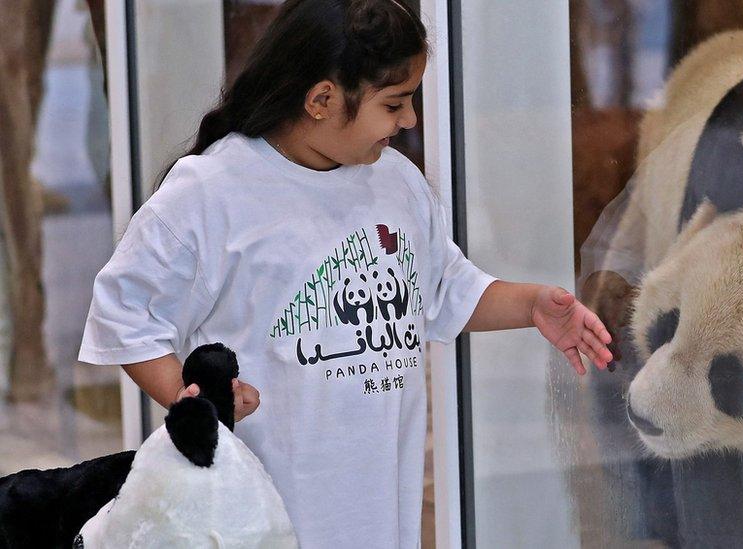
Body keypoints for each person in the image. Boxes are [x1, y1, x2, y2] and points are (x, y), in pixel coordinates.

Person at [77, 1, 612, 546]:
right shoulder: (210, 192)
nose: (410, 121)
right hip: (257, 518)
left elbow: (442, 288)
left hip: (379, 512)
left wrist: (530, 306)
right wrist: (193, 404)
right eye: (395, 103)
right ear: (322, 99)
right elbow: (126, 316)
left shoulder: (396, 182)